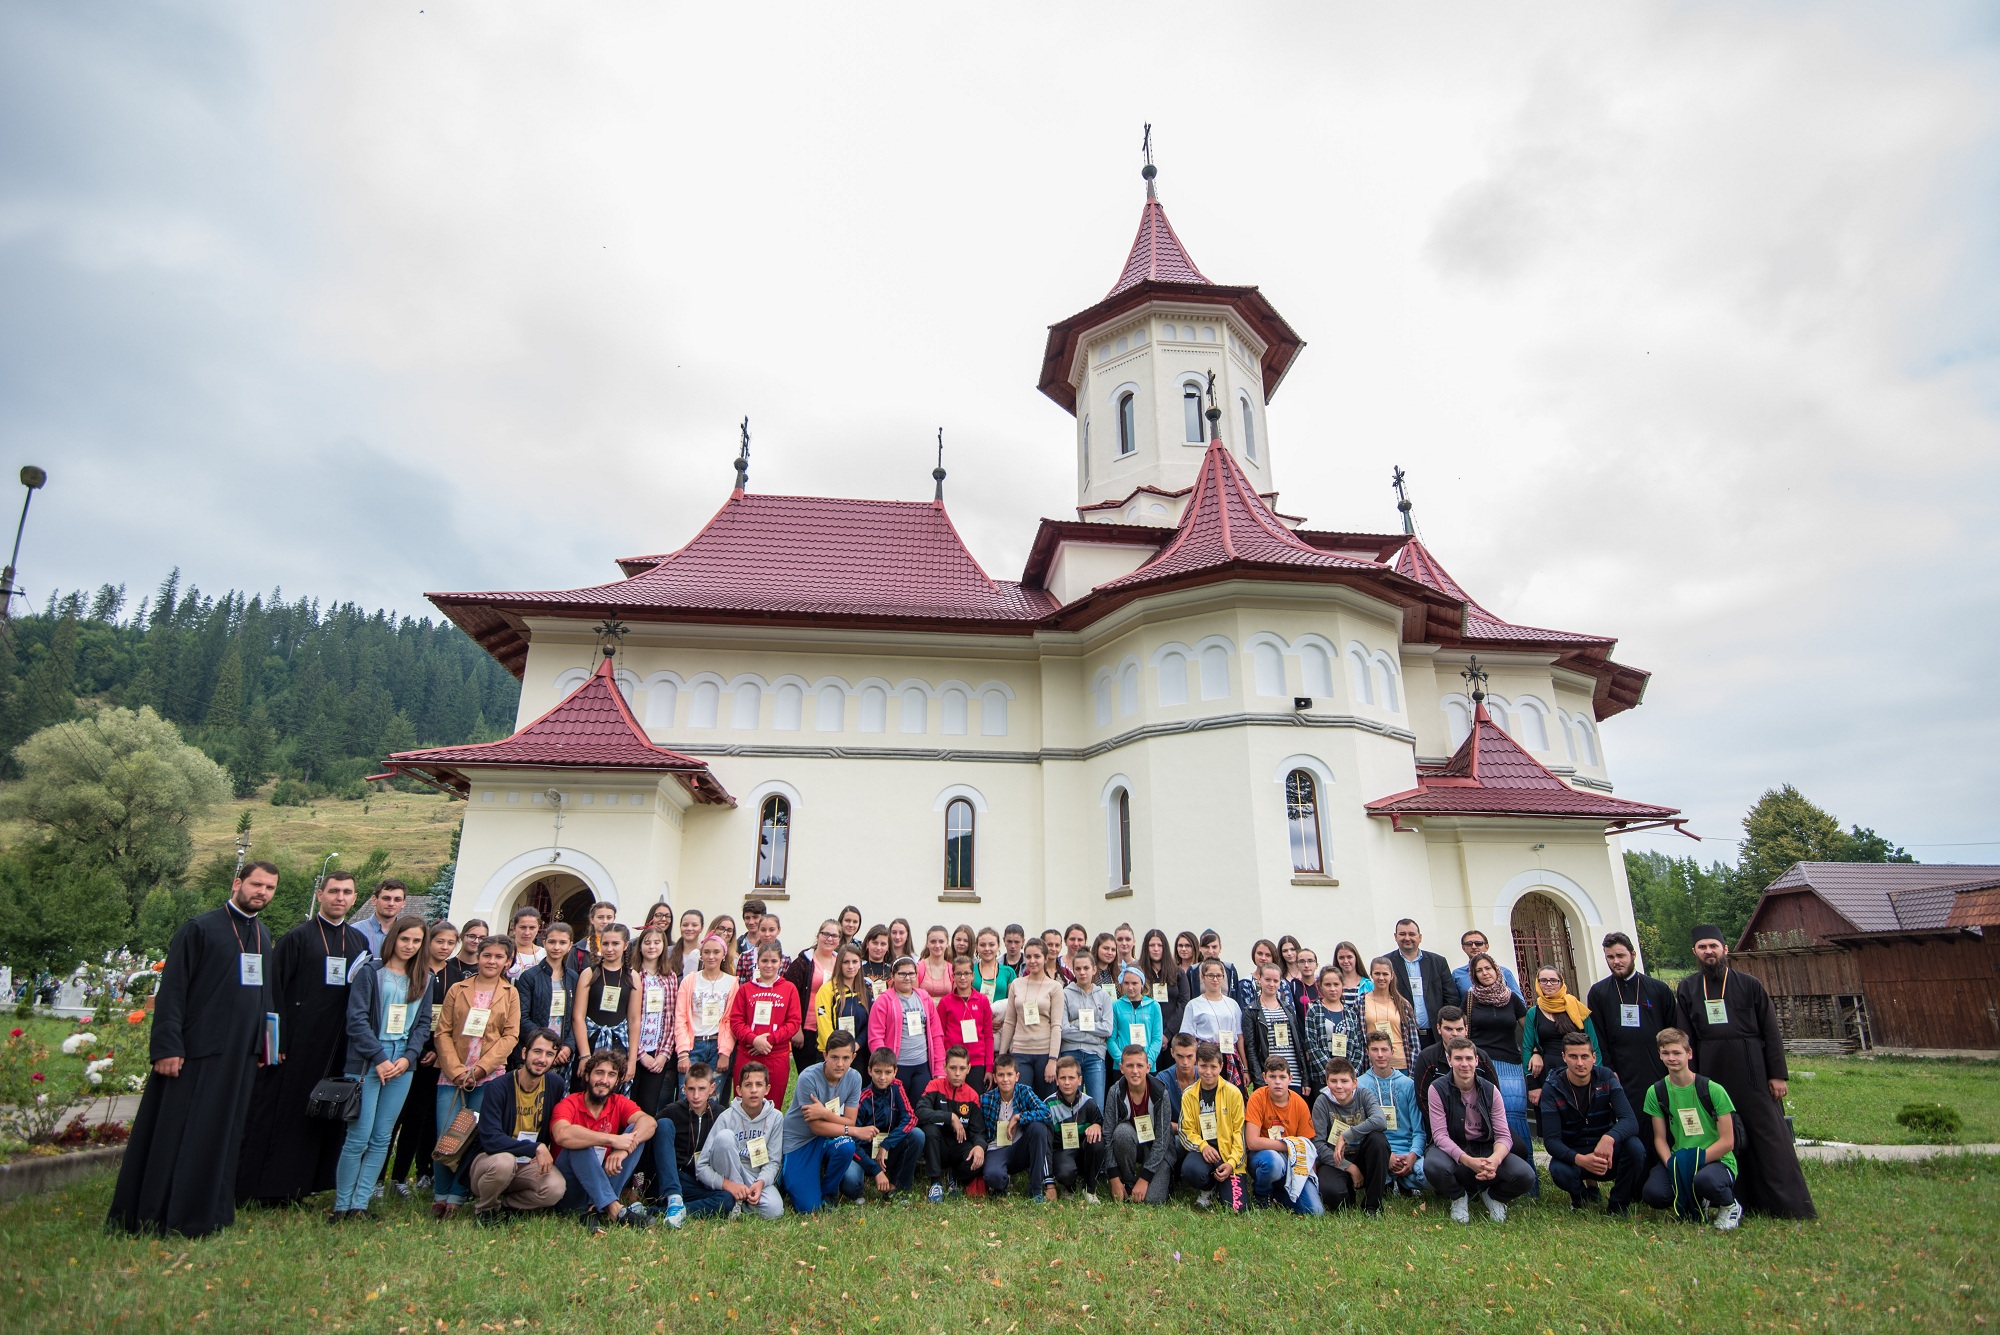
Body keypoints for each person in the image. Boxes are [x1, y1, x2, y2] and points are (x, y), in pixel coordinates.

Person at [108, 861, 277, 1239]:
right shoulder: (200, 928)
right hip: (196, 1053)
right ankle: (159, 1215)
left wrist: (266, 1046)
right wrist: (168, 1047)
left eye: (269, 888)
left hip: (240, 1057)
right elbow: (173, 993)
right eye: (256, 885)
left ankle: (208, 1213)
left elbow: (265, 998)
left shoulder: (263, 934)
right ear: (238, 883)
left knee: (223, 1135)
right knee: (182, 1133)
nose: (262, 893)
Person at [235, 869, 370, 1206]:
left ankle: (303, 1185)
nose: (340, 897)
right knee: (283, 1114)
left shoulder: (358, 942)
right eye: (334, 891)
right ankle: (266, 1188)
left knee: (321, 1117)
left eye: (347, 892)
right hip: (293, 1046)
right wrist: (273, 1042)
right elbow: (273, 992)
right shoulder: (298, 937)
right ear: (321, 894)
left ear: (355, 898)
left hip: (335, 1047)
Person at [1675, 925, 1816, 1219]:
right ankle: (1734, 1200)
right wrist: (1692, 1080)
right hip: (1712, 1071)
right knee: (1722, 1136)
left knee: (1769, 1136)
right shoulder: (1687, 988)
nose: (1708, 951)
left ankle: (1786, 1205)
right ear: (1694, 952)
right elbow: (1685, 1038)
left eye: (1713, 945)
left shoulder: (1750, 984)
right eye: (1702, 947)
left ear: (1725, 949)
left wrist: (1777, 1075)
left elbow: (1770, 1031)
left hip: (1751, 1068)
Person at [330, 914, 433, 1221]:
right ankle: (341, 1206)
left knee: (381, 1137)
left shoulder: (424, 977)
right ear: (393, 939)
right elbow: (357, 1020)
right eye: (405, 939)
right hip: (368, 1062)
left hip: (402, 1064)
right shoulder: (370, 972)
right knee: (358, 1137)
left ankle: (360, 1204)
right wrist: (380, 1058)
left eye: (416, 941)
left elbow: (423, 1023)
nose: (410, 946)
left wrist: (407, 1057)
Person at [432, 936, 522, 1215]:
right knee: (446, 1133)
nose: (492, 961)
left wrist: (482, 1068)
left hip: (489, 1077)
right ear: (478, 956)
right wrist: (457, 1070)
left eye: (498, 957)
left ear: (507, 962)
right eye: (487, 956)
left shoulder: (510, 993)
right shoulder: (458, 989)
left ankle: (458, 1195)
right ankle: (440, 1194)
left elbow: (511, 1035)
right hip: (452, 1075)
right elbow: (443, 1031)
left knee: (474, 1137)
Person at [1641, 1027, 1743, 1230]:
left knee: (1705, 1180)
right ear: (1659, 1055)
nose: (1672, 1058)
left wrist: (1695, 1162)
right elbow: (1660, 1138)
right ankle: (1697, 1199)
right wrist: (1672, 1164)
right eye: (1666, 1053)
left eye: (1677, 1052)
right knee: (1654, 1193)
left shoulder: (1713, 1089)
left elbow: (1728, 1141)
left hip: (1717, 1159)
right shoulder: (1656, 1091)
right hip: (1680, 1157)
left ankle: (1729, 1205)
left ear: (1689, 1053)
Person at [1424, 1037, 1535, 1223]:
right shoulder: (1437, 1089)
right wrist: (1467, 1161)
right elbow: (1440, 1136)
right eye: (1458, 1059)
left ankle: (1494, 1196)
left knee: (1525, 1175)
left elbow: (1504, 1135)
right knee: (1433, 1166)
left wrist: (1494, 1160)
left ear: (1476, 1060)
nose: (1464, 1064)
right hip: (1455, 1148)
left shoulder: (1490, 1090)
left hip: (1485, 1147)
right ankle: (1459, 1197)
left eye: (1469, 1058)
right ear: (1449, 1060)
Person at [386, 921, 459, 1197]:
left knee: (421, 1118)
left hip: (437, 1054)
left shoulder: (456, 973)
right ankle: (382, 1178)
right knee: (395, 1117)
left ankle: (408, 1174)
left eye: (450, 943)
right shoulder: (415, 970)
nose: (444, 947)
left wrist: (440, 1051)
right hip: (407, 1051)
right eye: (439, 941)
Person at [467, 1028, 569, 1223]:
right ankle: (486, 1210)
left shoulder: (555, 1084)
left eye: (549, 1054)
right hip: (491, 1161)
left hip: (527, 1163)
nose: (542, 1059)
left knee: (556, 1188)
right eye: (537, 1052)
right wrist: (536, 1147)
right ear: (524, 1053)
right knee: (504, 1163)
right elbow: (491, 1139)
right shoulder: (498, 1087)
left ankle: (507, 1205)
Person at [552, 1050, 658, 1233]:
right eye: (599, 1073)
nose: (604, 1080)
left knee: (636, 1132)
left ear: (617, 1081)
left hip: (603, 1181)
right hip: (570, 1191)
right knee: (579, 1141)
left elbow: (650, 1123)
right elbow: (561, 1134)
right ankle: (614, 1209)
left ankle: (594, 1209)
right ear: (587, 1076)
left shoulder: (618, 1102)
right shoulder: (569, 1103)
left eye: (611, 1075)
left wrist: (622, 1150)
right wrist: (612, 1140)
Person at [1539, 1030, 1644, 1215]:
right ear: (1564, 1057)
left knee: (1636, 1148)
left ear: (1594, 1057)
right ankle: (1581, 1197)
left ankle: (1618, 1205)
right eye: (1573, 1056)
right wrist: (1581, 1160)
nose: (1580, 1063)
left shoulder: (1606, 1077)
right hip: (1575, 1154)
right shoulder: (1551, 1087)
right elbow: (1551, 1141)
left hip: (1606, 1153)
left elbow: (1630, 1121)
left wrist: (1610, 1138)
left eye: (1585, 1056)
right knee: (1559, 1170)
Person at [1462, 952, 1534, 1186]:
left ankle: (1526, 1177)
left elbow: (1528, 1032)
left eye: (1488, 968)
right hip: (1482, 1065)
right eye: (1479, 970)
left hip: (1511, 1064)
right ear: (1474, 975)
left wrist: (1534, 1053)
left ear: (1497, 970)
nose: (1485, 973)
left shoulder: (1512, 998)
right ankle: (1491, 1176)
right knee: (1487, 1120)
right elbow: (1462, 1032)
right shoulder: (1470, 998)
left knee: (1515, 1118)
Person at [780, 1030, 866, 1213]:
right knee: (807, 1208)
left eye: (845, 1058)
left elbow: (850, 1120)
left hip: (829, 1136)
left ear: (853, 1057)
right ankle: (790, 1176)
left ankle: (828, 1192)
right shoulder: (808, 1077)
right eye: (834, 1057)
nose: (840, 1064)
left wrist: (825, 1113)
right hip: (800, 1140)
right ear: (825, 1055)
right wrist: (855, 1131)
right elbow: (816, 1127)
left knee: (847, 1147)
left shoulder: (854, 1078)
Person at [1585, 931, 1678, 1097]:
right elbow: (1598, 1036)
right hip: (1621, 1071)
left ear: (1633, 954)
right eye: (1610, 957)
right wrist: (1608, 1070)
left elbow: (1673, 1030)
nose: (1616, 961)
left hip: (1656, 1066)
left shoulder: (1658, 989)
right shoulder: (1598, 993)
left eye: (1621, 955)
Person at [698, 1061, 785, 1220]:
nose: (753, 1090)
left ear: (767, 1089)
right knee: (725, 1137)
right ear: (738, 1090)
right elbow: (702, 1166)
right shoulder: (726, 1117)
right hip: (729, 1173)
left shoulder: (776, 1118)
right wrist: (729, 1184)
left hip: (756, 1176)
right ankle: (735, 1197)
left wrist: (760, 1183)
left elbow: (773, 1162)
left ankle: (740, 1201)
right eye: (748, 1085)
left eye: (759, 1084)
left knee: (775, 1210)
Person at [652, 1062, 734, 1222]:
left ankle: (664, 1212)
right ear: (684, 1089)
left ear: (712, 1089)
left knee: (727, 1200)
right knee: (663, 1125)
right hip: (673, 1179)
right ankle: (673, 1199)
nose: (696, 1096)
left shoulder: (721, 1114)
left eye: (702, 1089)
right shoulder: (672, 1112)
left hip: (702, 1181)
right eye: (691, 1089)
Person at [1245, 1055, 1322, 1215]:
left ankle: (1279, 1195)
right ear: (1264, 1077)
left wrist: (1312, 1179)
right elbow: (1252, 1142)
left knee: (1315, 1211)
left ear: (1290, 1078)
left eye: (1282, 1077)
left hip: (1294, 1162)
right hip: (1263, 1158)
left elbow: (1307, 1146)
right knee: (1273, 1163)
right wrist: (1289, 1145)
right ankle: (1262, 1193)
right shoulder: (1257, 1098)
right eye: (1272, 1077)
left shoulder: (1300, 1103)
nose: (1277, 1082)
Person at [728, 943, 803, 1107]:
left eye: (774, 961)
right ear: (757, 962)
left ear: (781, 963)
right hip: (748, 1053)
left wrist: (768, 1040)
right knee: (744, 1104)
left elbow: (793, 1022)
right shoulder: (745, 989)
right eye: (764, 961)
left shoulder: (789, 989)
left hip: (776, 1056)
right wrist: (753, 1039)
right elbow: (736, 1021)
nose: (769, 965)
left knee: (772, 1105)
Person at [1310, 1058, 1389, 1214]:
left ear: (1354, 1083)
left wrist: (1346, 1136)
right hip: (1336, 1159)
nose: (1339, 1086)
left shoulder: (1364, 1095)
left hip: (1363, 1155)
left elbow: (1380, 1121)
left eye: (1344, 1081)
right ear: (1327, 1081)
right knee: (1335, 1197)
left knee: (1378, 1140)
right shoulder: (1322, 1102)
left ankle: (1373, 1205)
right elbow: (1318, 1144)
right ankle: (1348, 1192)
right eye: (1333, 1081)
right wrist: (1350, 1168)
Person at [869, 956, 947, 1109]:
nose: (907, 978)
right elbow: (875, 1038)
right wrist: (885, 1067)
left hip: (922, 1066)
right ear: (892, 976)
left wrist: (939, 1069)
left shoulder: (924, 998)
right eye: (902, 974)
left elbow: (936, 1035)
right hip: (898, 1066)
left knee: (919, 1110)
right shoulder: (883, 1001)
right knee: (898, 1111)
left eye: (911, 974)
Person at [1176, 1041, 1246, 1211]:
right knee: (1191, 1170)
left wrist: (1231, 1163)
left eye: (1213, 1067)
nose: (1208, 1072)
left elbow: (1240, 1133)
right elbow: (1185, 1130)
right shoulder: (1189, 1094)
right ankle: (1208, 1188)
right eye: (1203, 1066)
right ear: (1196, 1065)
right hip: (1204, 1152)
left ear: (1221, 1066)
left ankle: (1223, 1182)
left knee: (1236, 1209)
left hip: (1228, 1153)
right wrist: (1203, 1146)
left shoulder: (1234, 1093)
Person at [1523, 964, 1601, 1116]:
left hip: (1578, 1069)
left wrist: (1596, 1077)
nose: (1549, 984)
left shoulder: (1577, 1008)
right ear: (1537, 984)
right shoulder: (1534, 1013)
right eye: (1543, 980)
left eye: (1553, 980)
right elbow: (1527, 1046)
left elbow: (1594, 1046)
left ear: (1561, 982)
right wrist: (1533, 1084)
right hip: (1547, 1072)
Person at [1103, 1044, 1174, 1205]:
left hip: (1157, 1149)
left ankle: (1159, 1177)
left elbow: (1162, 1141)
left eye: (1139, 1065)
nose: (1135, 1071)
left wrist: (1145, 1179)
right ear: (1121, 1068)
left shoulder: (1160, 1092)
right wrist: (1114, 1178)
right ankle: (1128, 1181)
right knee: (1121, 1132)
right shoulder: (1115, 1092)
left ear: (1148, 1067)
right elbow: (1107, 1135)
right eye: (1129, 1066)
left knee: (1153, 1200)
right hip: (1132, 1142)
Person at [1358, 1032, 1426, 1195]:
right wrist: (1387, 1157)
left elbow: (1419, 1129)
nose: (1380, 1055)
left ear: (1392, 1051)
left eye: (1384, 1049)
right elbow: (1360, 1130)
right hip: (1379, 1151)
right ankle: (1393, 1181)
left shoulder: (1408, 1084)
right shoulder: (1360, 1084)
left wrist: (1412, 1155)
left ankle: (1402, 1179)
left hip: (1406, 1149)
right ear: (1367, 1052)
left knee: (1428, 1175)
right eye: (1375, 1050)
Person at [979, 1054, 1053, 1200]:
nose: (1005, 1079)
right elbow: (979, 1130)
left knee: (1038, 1128)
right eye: (1001, 1075)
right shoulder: (985, 1099)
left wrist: (1019, 1117)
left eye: (1009, 1074)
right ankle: (1002, 1181)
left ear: (1017, 1076)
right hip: (996, 1148)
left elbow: (1046, 1113)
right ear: (994, 1077)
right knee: (992, 1177)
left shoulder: (1024, 1092)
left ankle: (1036, 1190)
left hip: (1020, 1147)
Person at [860, 1044, 928, 1201]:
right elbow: (854, 1141)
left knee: (917, 1135)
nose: (883, 1077)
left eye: (888, 1072)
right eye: (878, 1072)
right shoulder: (863, 1097)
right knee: (852, 1181)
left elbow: (911, 1118)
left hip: (889, 1147)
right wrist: (875, 1169)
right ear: (869, 1071)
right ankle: (864, 1182)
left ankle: (899, 1186)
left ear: (895, 1072)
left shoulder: (897, 1087)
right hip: (868, 1152)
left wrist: (886, 1144)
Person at [997, 941, 1065, 1098]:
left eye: (1037, 956)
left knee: (1045, 1102)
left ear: (1046, 958)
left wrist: (1053, 1060)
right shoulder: (1016, 984)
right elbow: (1009, 1021)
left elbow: (1056, 1026)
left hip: (1045, 1053)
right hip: (1020, 1051)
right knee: (1022, 1100)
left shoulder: (1054, 987)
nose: (1032, 960)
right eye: (1028, 956)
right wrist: (1002, 1055)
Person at [675, 934, 738, 1099]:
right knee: (688, 1098)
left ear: (723, 954)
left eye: (716, 952)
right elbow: (680, 1017)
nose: (711, 956)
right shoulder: (689, 981)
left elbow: (731, 1020)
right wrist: (683, 1054)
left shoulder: (732, 983)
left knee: (712, 1099)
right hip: (693, 1045)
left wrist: (725, 1053)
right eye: (707, 952)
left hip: (717, 1046)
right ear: (701, 954)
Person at [914, 1046, 980, 1201]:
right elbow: (919, 1112)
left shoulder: (973, 1095)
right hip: (937, 1146)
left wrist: (980, 1147)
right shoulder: (934, 1085)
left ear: (968, 1069)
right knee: (929, 1129)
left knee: (979, 1157)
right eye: (952, 1068)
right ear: (944, 1067)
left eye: (962, 1068)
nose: (957, 1073)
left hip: (959, 1146)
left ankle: (954, 1177)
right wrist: (949, 1116)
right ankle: (935, 1183)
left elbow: (978, 1131)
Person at [573, 923, 639, 1070]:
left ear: (625, 945)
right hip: (590, 1041)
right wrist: (584, 1055)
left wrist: (632, 1060)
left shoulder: (632, 976)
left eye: (615, 943)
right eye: (605, 944)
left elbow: (634, 1020)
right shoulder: (589, 974)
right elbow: (578, 1016)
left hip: (618, 1044)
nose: (609, 949)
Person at [629, 927, 680, 1114]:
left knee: (648, 1108)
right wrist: (640, 1055)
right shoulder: (632, 975)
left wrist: (664, 1054)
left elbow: (670, 1017)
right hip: (634, 1051)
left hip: (658, 1053)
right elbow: (630, 1018)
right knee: (629, 1105)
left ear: (663, 946)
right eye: (647, 942)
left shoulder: (670, 977)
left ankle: (645, 1144)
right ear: (640, 946)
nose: (652, 947)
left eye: (657, 942)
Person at [784, 920, 844, 1072]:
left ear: (839, 939)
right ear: (818, 935)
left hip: (831, 1029)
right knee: (809, 1076)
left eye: (834, 936)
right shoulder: (802, 963)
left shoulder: (841, 963)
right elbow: (790, 996)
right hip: (807, 1030)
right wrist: (796, 1028)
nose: (829, 939)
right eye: (826, 934)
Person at [1389, 919, 1460, 1047]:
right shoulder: (1387, 963)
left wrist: (1447, 1028)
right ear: (1395, 936)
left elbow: (1451, 998)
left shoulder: (1438, 962)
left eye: (1411, 934)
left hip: (1435, 1035)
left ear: (1420, 937)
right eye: (1402, 934)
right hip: (1402, 1035)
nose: (1407, 938)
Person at [1044, 1055, 1105, 1202]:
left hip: (1083, 1152)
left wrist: (1097, 1125)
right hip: (1062, 1151)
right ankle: (1068, 1186)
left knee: (1098, 1142)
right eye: (1063, 1078)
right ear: (1057, 1080)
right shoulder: (1048, 1105)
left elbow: (1101, 1124)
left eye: (1071, 1078)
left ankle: (1089, 1188)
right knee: (1066, 1173)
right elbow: (1045, 1144)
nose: (1067, 1082)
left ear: (1080, 1080)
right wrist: (1049, 1182)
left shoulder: (1089, 1103)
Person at [1060, 950, 1115, 1108]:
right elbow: (1064, 1030)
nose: (1082, 972)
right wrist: (1094, 1034)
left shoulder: (1103, 996)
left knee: (1096, 1105)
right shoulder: (1065, 994)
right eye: (1078, 969)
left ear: (1094, 969)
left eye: (1086, 968)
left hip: (1095, 1055)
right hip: (1070, 1053)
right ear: (1073, 970)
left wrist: (1077, 1023)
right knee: (1070, 1105)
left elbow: (1107, 1029)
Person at [1180, 959, 1247, 1089]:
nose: (1215, 979)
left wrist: (1245, 1067)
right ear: (1202, 977)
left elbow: (1239, 1037)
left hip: (1228, 1056)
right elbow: (1187, 1038)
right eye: (1210, 975)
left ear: (1223, 977)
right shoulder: (1193, 1005)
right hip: (1205, 1058)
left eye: (1218, 976)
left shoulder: (1232, 1004)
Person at [1242, 962, 1305, 1093]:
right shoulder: (1251, 1011)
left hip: (1293, 1075)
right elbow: (1251, 1048)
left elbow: (1298, 1043)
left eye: (1275, 980)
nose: (1272, 984)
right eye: (1268, 980)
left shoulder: (1288, 1008)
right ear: (1259, 980)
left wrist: (1305, 1078)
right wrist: (1260, 1080)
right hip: (1270, 1077)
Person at [521, 921, 575, 1071]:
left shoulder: (573, 978)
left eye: (562, 942)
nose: (557, 947)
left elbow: (576, 1017)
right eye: (552, 942)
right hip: (536, 1052)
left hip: (563, 1054)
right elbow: (522, 1018)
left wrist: (568, 1046)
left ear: (570, 945)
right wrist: (547, 1046)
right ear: (544, 943)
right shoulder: (530, 977)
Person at [1301, 964, 1364, 1091]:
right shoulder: (1314, 1011)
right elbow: (1312, 1045)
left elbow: (1359, 1047)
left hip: (1348, 1080)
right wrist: (1332, 1074)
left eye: (1336, 984)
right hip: (1322, 1078)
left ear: (1342, 985)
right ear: (1320, 986)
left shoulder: (1350, 1014)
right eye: (1328, 985)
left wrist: (1349, 1075)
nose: (1333, 989)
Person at [938, 956, 996, 1092]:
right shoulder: (945, 1002)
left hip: (977, 1063)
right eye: (958, 974)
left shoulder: (982, 1000)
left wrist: (989, 1067)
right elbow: (940, 1036)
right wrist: (943, 1064)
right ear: (953, 976)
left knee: (975, 1104)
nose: (962, 977)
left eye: (966, 973)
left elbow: (988, 1035)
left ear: (973, 976)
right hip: (953, 1063)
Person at [1361, 956, 1421, 1074]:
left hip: (1401, 1063)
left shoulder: (1403, 1003)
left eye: (1385, 974)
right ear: (1371, 975)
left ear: (1392, 976)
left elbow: (1414, 1041)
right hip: (1372, 1064)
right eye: (1377, 973)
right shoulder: (1361, 1002)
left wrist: (1414, 1069)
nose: (1381, 978)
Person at [813, 944, 874, 1056]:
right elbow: (823, 1023)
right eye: (846, 962)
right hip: (831, 1053)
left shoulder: (865, 990)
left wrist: (858, 1043)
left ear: (860, 964)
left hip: (857, 1052)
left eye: (855, 962)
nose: (851, 966)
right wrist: (837, 1049)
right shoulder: (826, 990)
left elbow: (870, 1022)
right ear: (839, 964)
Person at [1110, 965, 1163, 1072]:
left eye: (1134, 983)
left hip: (1147, 1066)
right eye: (1126, 983)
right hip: (1122, 1067)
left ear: (1142, 984)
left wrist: (1149, 1061)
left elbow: (1157, 1038)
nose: (1130, 987)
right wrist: (1122, 1061)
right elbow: (1111, 1039)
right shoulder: (1115, 1006)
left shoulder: (1154, 1006)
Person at [1450, 928, 1519, 1001]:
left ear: (1487, 947)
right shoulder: (1457, 974)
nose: (1473, 947)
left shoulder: (1504, 972)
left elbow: (1518, 1001)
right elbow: (1455, 1003)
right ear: (1463, 948)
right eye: (1469, 944)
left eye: (1478, 943)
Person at [352, 878, 407, 955]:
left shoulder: (407, 933)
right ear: (374, 900)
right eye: (386, 898)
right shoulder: (355, 931)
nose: (391, 903)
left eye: (397, 899)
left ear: (403, 903)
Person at [970, 928, 1015, 1012]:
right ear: (976, 947)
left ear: (998, 946)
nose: (987, 949)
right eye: (982, 945)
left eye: (991, 945)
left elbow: (1013, 1002)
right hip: (977, 1021)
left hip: (1001, 1022)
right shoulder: (970, 971)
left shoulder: (1008, 972)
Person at [735, 912, 783, 982]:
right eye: (763, 930)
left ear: (778, 930)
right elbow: (740, 984)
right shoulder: (745, 957)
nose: (767, 934)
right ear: (758, 930)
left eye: (771, 930)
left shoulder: (785, 959)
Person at [505, 907, 546, 981]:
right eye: (523, 927)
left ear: (538, 928)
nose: (527, 933)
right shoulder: (504, 951)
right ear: (514, 928)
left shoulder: (544, 954)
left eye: (532, 928)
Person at [915, 927, 955, 1000]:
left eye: (941, 941)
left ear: (947, 943)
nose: (937, 945)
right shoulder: (919, 968)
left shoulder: (952, 969)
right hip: (925, 1010)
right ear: (927, 943)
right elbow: (914, 997)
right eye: (933, 941)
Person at [1328, 941, 1367, 1009]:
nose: (1346, 961)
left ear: (1356, 958)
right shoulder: (1332, 984)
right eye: (1341, 958)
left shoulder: (1368, 985)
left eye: (1349, 957)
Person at [859, 925, 895, 997]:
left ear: (888, 947)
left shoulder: (893, 970)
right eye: (875, 943)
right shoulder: (858, 968)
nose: (878, 948)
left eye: (883, 944)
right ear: (867, 944)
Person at [674, 909, 707, 977]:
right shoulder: (668, 953)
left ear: (701, 928)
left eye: (694, 925)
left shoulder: (707, 953)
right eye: (685, 925)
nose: (689, 928)